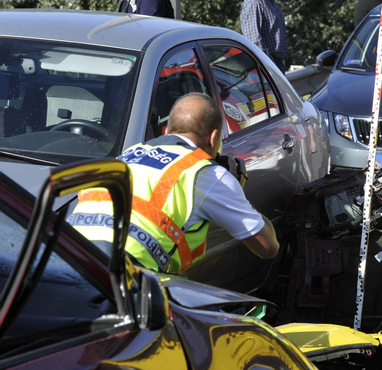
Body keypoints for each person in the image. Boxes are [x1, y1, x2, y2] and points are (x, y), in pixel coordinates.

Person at [69, 93, 280, 274]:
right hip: (123, 272)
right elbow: (267, 247)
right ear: (214, 137)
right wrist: (239, 196)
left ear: (166, 131)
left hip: (65, 254)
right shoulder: (207, 174)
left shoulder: (129, 154)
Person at [241, 0, 289, 73]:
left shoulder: (271, 2)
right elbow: (254, 41)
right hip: (265, 67)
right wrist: (271, 66)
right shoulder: (253, 3)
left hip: (277, 63)